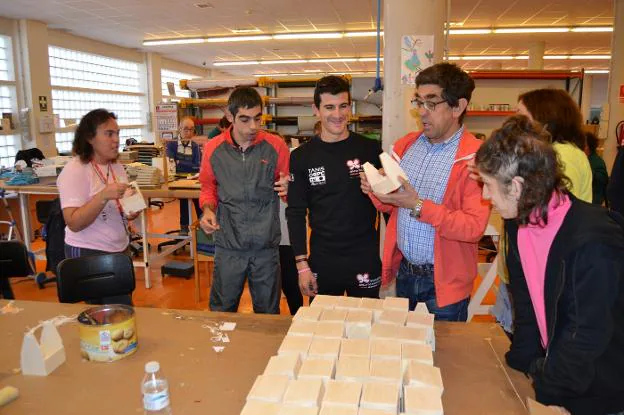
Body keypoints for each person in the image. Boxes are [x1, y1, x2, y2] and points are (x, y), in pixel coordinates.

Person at [475, 115, 624, 415]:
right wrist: (521, 363)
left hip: (598, 391)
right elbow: (527, 303)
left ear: (516, 187)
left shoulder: (594, 240)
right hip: (559, 376)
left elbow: (588, 334)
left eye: (488, 185)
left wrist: (548, 389)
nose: (484, 196)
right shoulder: (518, 224)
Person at [361, 63, 490, 321]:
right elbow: (393, 207)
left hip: (445, 282)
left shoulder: (476, 158)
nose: (422, 112)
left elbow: (473, 227)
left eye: (431, 103)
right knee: (408, 353)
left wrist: (417, 205)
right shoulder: (406, 146)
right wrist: (377, 191)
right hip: (406, 273)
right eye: (418, 102)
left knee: (444, 356)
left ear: (458, 107)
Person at [287, 75, 383, 299]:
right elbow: (295, 213)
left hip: (365, 257)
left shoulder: (370, 150)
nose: (338, 115)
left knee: (367, 325)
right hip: (323, 259)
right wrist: (302, 266)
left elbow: (388, 208)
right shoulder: (302, 157)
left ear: (350, 106)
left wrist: (390, 258)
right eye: (329, 107)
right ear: (316, 109)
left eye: (343, 106)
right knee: (323, 328)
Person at [199, 87, 290, 314]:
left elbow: (290, 191)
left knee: (268, 314)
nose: (253, 127)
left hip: (266, 247)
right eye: (245, 119)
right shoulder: (213, 148)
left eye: (258, 119)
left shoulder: (276, 146)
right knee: (222, 311)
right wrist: (208, 210)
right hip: (229, 245)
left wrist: (290, 187)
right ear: (230, 117)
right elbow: (208, 187)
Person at [57, 109, 139, 304]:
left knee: (120, 311)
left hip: (119, 248)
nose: (116, 140)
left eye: (117, 133)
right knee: (109, 316)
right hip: (88, 250)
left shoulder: (116, 166)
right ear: (89, 138)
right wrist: (102, 196)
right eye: (109, 134)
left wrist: (132, 210)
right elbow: (74, 222)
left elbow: (122, 210)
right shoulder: (75, 170)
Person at [516, 88, 592, 202]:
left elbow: (561, 206)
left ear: (543, 118)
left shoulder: (563, 154)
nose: (515, 123)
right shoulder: (550, 151)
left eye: (522, 116)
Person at [165, 116, 202, 233]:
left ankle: (203, 227)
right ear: (179, 129)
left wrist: (180, 162)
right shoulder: (172, 144)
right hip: (177, 180)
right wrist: (187, 164)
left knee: (198, 199)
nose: (189, 132)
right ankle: (184, 228)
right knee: (184, 199)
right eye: (186, 129)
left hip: (193, 179)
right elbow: (171, 164)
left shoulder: (195, 146)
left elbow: (197, 166)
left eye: (192, 129)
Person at [585, 132, 608, 205]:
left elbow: (601, 182)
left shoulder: (596, 162)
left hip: (593, 201)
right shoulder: (588, 159)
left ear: (587, 147)